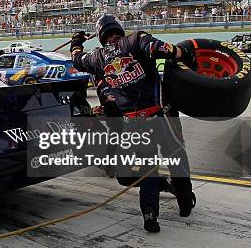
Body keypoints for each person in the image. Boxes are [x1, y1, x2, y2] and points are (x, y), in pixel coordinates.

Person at [70, 14, 196, 233]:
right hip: (161, 114)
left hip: (135, 122)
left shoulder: (98, 58)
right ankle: (185, 203)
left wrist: (76, 41)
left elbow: (77, 59)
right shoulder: (136, 39)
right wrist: (186, 53)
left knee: (148, 168)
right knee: (176, 156)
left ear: (101, 36)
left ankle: (149, 214)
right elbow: (165, 49)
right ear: (118, 27)